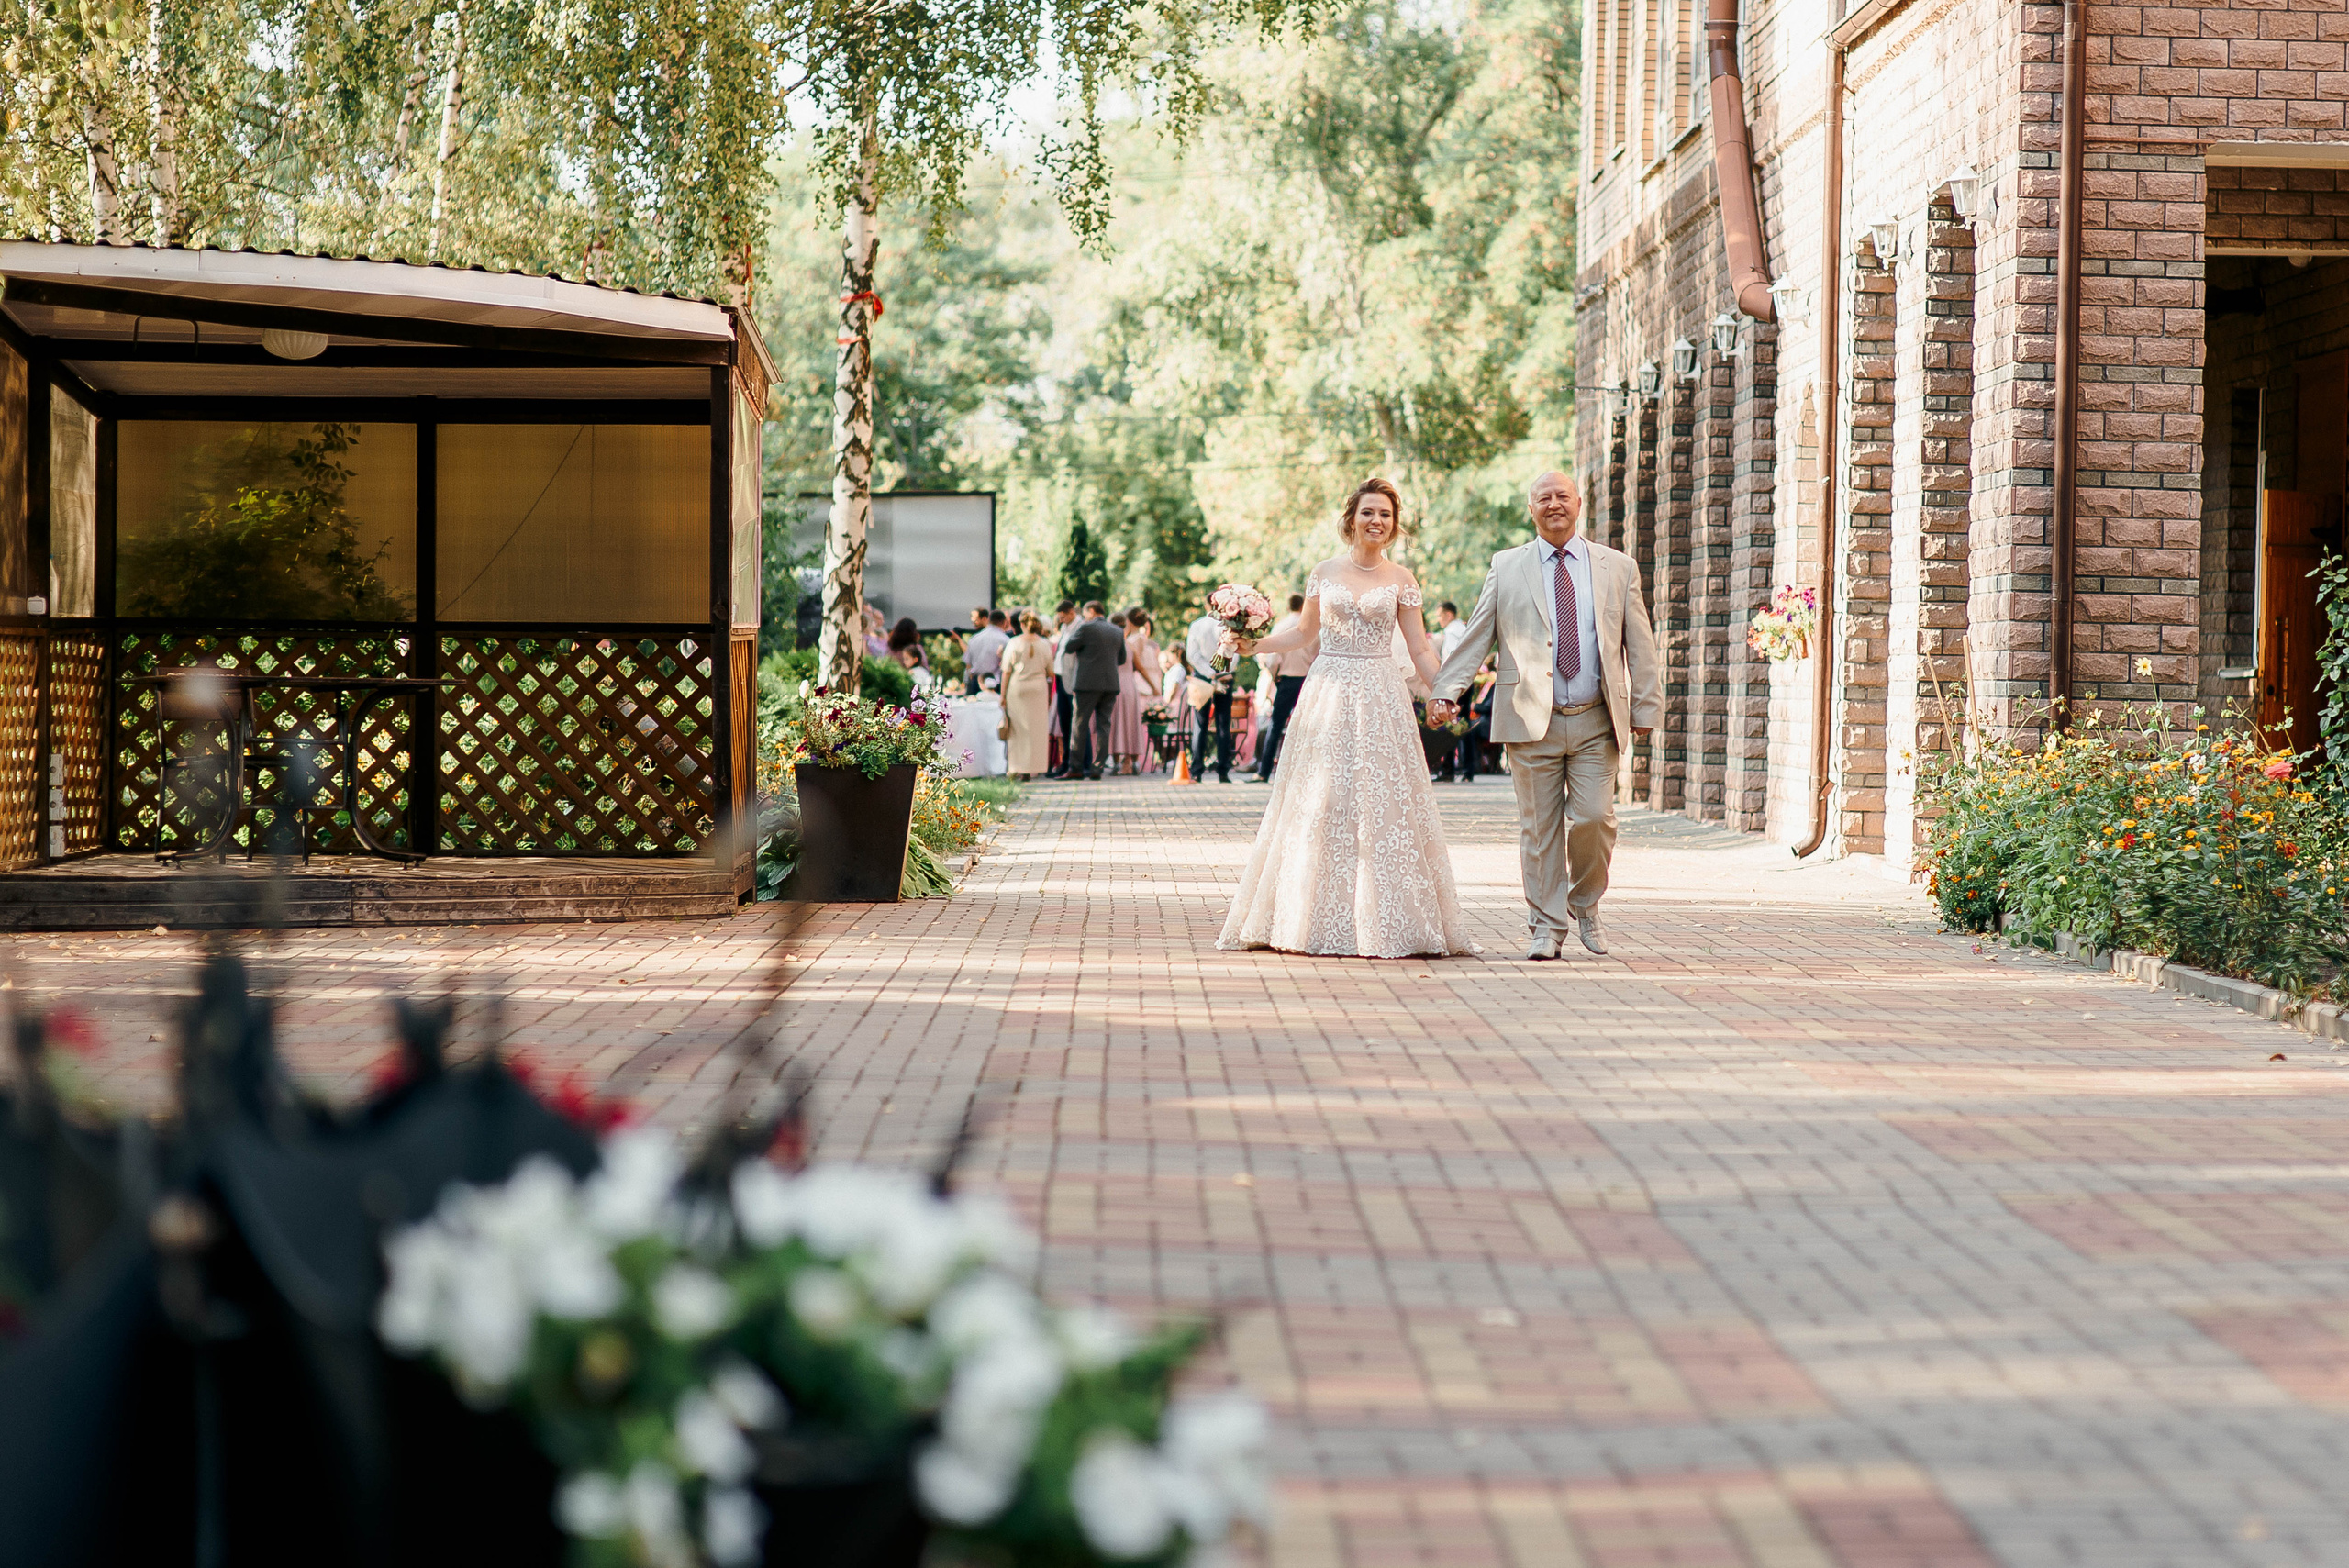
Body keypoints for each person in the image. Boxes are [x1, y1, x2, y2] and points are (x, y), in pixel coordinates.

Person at [1217, 476, 1476, 958]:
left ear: (1393, 526)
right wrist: (1254, 643)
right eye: (1368, 513)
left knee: (1384, 803)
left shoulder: (1402, 579)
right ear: (1351, 519)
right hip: (1329, 691)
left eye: (1385, 515)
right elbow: (1302, 634)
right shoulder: (1324, 571)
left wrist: (1445, 691)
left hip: (1382, 694)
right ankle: (1307, 916)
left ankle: (1388, 919)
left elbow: (1419, 646)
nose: (1376, 521)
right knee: (1322, 799)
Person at [1429, 470, 1661, 961]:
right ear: (1530, 509)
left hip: (1598, 718)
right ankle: (1546, 927)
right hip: (1531, 717)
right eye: (1543, 498)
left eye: (1562, 496)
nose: (1554, 505)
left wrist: (1645, 704)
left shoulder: (1617, 567)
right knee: (1539, 829)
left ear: (1579, 504)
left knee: (1596, 819)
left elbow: (1639, 643)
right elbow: (1477, 635)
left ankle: (1584, 903)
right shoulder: (1507, 566)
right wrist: (1447, 690)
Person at [1252, 593, 1314, 782]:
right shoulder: (1313, 629)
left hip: (1286, 680)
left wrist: (1274, 675)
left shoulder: (1281, 626)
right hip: (1308, 681)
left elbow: (1272, 657)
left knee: (1276, 725)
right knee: (1307, 726)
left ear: (1288, 607)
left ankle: (1264, 771)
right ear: (1303, 606)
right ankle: (1305, 771)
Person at [1062, 601, 1127, 780]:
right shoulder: (1117, 631)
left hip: (1087, 684)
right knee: (1104, 726)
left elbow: (1069, 647)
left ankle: (1076, 768)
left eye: (1085, 612)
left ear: (1091, 611)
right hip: (1110, 684)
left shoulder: (1085, 628)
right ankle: (1097, 768)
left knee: (1079, 725)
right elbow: (1121, 659)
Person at [1183, 604, 1235, 784]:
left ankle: (1197, 771)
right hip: (1225, 675)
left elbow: (1192, 654)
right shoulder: (1230, 626)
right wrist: (1221, 672)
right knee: (1223, 724)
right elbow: (1235, 652)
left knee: (1200, 724)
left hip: (1202, 676)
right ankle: (1223, 771)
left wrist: (1208, 673)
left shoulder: (1197, 625)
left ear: (1207, 605)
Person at [999, 612, 1054, 779]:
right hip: (1038, 688)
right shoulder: (1045, 644)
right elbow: (1050, 672)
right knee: (1036, 730)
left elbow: (1006, 671)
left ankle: (1017, 767)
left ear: (1021, 625)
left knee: (1018, 729)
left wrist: (1002, 695)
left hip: (1018, 687)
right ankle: (1034, 768)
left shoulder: (1014, 643)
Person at [1111, 607, 1160, 774]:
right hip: (1130, 685)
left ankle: (1119, 762)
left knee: (1117, 722)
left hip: (1115, 685)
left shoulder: (1114, 645)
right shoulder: (1129, 646)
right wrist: (1153, 686)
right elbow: (1140, 668)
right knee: (1130, 722)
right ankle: (1132, 761)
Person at [1046, 600, 1080, 778]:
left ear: (1071, 612)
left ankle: (1074, 764)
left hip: (1071, 681)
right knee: (1064, 724)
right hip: (1060, 679)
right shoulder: (1065, 628)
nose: (1061, 620)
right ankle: (1065, 762)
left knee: (1072, 724)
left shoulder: (1080, 627)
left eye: (1063, 616)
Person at [964, 608, 1009, 695]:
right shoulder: (1005, 640)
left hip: (976, 683)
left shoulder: (974, 639)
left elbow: (968, 664)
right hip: (996, 683)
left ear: (989, 621)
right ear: (1004, 622)